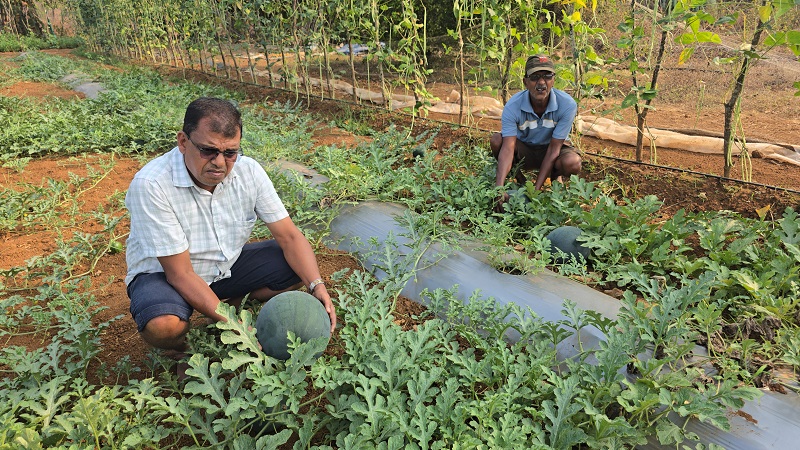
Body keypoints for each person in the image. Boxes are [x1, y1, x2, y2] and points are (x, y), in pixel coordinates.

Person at [125, 97, 336, 353]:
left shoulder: (249, 172)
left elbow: (290, 237)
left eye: (230, 153)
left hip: (223, 269)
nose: (219, 162)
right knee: (164, 325)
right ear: (183, 142)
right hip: (164, 276)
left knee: (297, 268)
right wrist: (235, 326)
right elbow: (180, 274)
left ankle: (224, 311)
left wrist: (316, 284)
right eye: (208, 150)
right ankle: (187, 349)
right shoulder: (152, 184)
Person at [490, 54, 581, 210]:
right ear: (525, 82)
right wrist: (499, 187)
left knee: (573, 162)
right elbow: (508, 148)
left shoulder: (567, 104)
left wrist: (534, 193)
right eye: (534, 77)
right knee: (497, 140)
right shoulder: (513, 105)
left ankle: (554, 177)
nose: (541, 83)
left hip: (552, 150)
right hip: (526, 150)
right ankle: (521, 180)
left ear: (554, 80)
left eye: (547, 76)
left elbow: (554, 149)